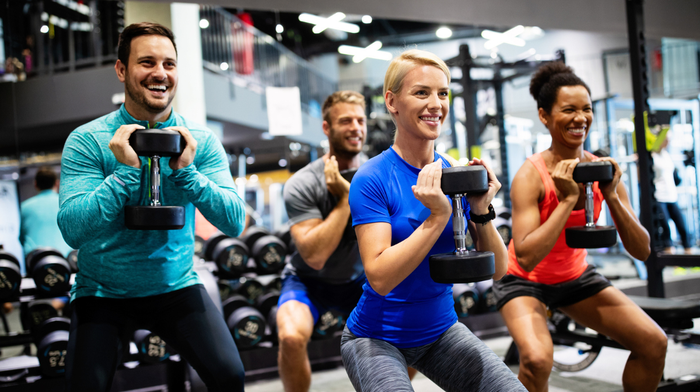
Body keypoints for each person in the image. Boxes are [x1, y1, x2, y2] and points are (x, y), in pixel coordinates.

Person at [58, 22, 247, 391]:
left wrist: (188, 174)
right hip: (102, 292)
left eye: (169, 64)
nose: (160, 73)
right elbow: (72, 230)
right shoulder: (87, 141)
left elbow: (234, 221)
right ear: (121, 70)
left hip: (174, 286)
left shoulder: (201, 141)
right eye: (147, 62)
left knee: (229, 375)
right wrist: (126, 173)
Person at [340, 49, 526, 392]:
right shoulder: (373, 178)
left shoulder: (456, 175)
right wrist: (437, 217)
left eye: (442, 93)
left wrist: (482, 209)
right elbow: (379, 277)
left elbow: (499, 270)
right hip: (376, 335)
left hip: (440, 329)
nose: (436, 103)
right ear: (392, 101)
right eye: (422, 92)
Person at [492, 62, 667, 392]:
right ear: (544, 116)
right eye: (568, 109)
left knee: (653, 343)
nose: (580, 118)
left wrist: (611, 194)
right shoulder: (530, 176)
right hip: (523, 281)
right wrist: (569, 200)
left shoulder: (601, 169)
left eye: (586, 109)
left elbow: (642, 250)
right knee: (536, 361)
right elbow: (526, 256)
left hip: (574, 277)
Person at [278, 90, 412, 392]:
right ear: (326, 128)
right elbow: (314, 256)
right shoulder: (303, 183)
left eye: (360, 120)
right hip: (309, 280)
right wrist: (344, 201)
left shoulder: (380, 173)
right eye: (345, 121)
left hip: (361, 279)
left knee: (415, 329)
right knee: (290, 336)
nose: (356, 128)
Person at [20, 166, 72, 262]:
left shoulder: (24, 207)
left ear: (35, 184)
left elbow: (21, 238)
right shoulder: (66, 204)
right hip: (67, 261)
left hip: (36, 262)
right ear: (57, 183)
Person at [652, 134, 693, 254]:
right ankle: (672, 261)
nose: (667, 142)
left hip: (672, 196)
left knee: (682, 227)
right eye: (666, 139)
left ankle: (689, 257)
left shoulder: (666, 154)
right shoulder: (652, 156)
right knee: (666, 229)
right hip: (659, 196)